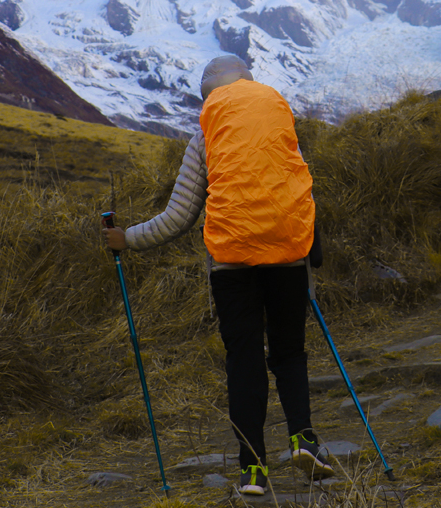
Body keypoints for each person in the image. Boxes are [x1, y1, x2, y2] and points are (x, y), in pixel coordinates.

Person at [104, 54, 334, 496]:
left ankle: (252, 470)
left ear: (209, 98)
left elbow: (178, 217)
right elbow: (300, 188)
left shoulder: (206, 138)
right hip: (289, 258)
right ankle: (304, 441)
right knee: (289, 354)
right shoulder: (279, 126)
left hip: (232, 266)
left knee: (244, 360)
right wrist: (309, 244)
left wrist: (126, 239)